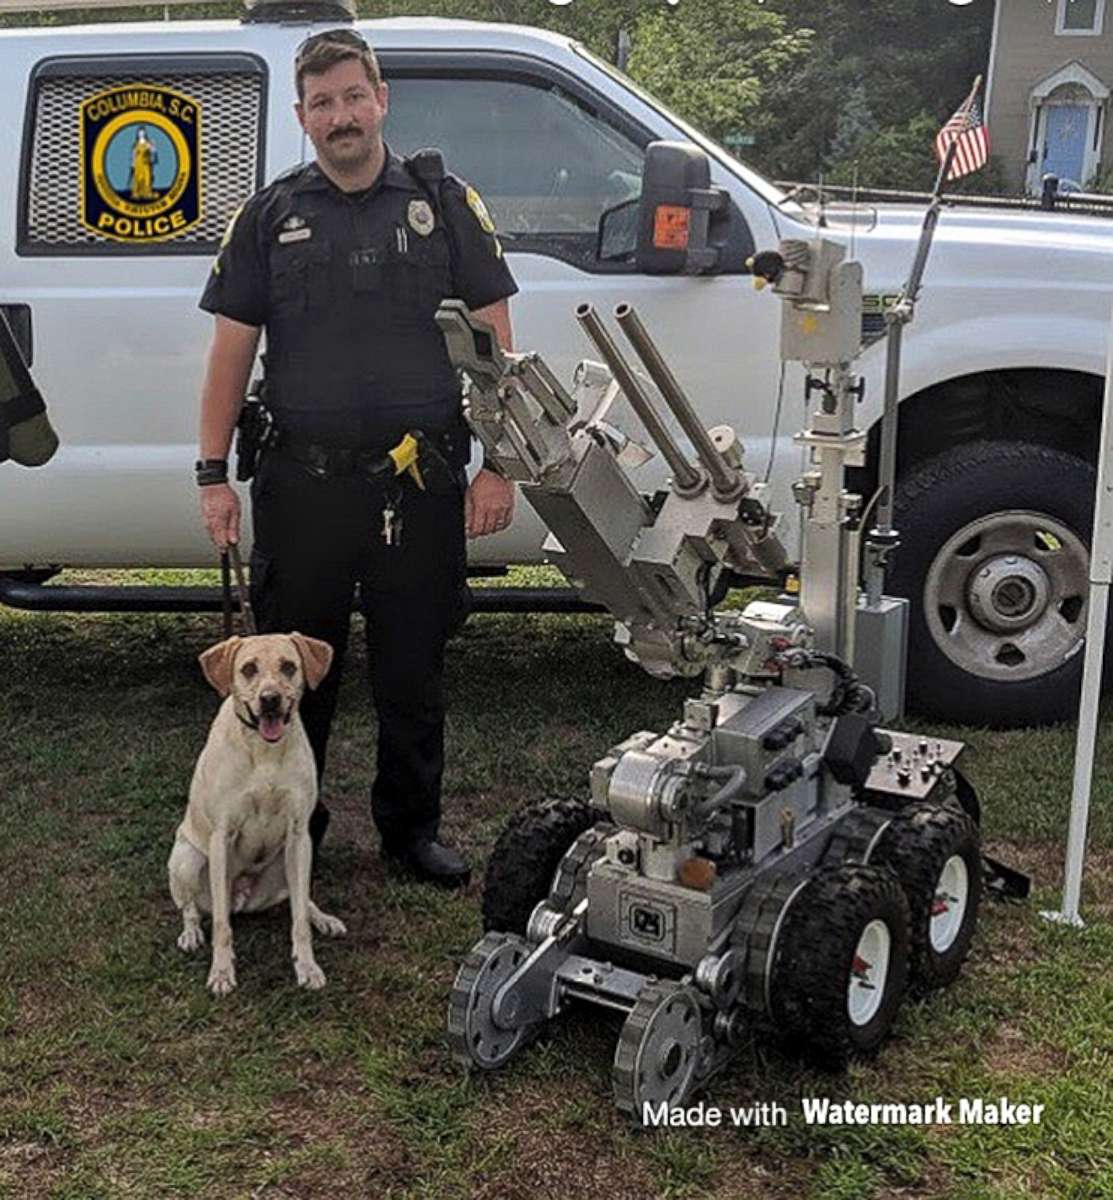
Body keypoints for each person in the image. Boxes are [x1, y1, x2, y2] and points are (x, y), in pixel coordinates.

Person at [194, 29, 517, 887]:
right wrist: (210, 473)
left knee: (415, 666)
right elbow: (231, 351)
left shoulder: (445, 204)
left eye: (353, 96)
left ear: (382, 100)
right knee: (299, 674)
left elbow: (493, 338)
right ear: (301, 117)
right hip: (304, 486)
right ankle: (301, 828)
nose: (341, 115)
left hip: (418, 483)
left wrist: (499, 463)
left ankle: (411, 832)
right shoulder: (268, 215)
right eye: (322, 103)